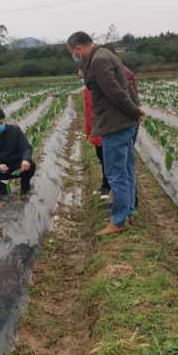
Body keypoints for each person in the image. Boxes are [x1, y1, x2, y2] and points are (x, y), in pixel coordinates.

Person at [67, 32, 144, 235]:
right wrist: (134, 113)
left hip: (115, 124)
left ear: (78, 48)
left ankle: (118, 221)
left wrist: (135, 111)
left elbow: (116, 92)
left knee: (116, 173)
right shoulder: (104, 55)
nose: (75, 57)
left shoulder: (99, 60)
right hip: (123, 123)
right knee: (126, 170)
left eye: (74, 53)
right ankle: (128, 212)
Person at [79, 67, 110, 199]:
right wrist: (87, 131)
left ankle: (108, 188)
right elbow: (88, 113)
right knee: (101, 158)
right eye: (80, 77)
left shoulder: (104, 89)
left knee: (108, 160)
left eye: (83, 76)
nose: (83, 79)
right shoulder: (86, 91)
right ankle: (105, 186)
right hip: (97, 132)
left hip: (108, 129)